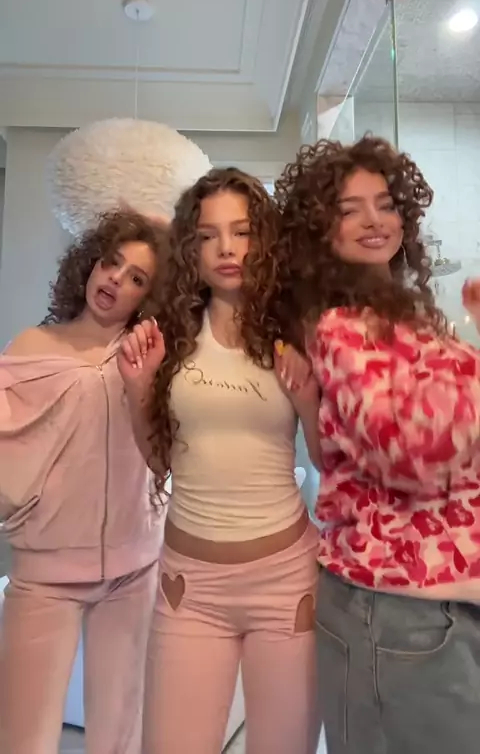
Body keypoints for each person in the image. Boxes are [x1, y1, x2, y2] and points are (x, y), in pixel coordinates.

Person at [274, 134, 480, 754]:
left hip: (441, 600)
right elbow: (412, 454)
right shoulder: (338, 327)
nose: (373, 220)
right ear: (321, 231)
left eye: (385, 204)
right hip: (396, 608)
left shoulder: (417, 322)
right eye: (349, 209)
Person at [118, 167, 322, 754]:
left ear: (265, 241)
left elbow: (327, 460)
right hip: (189, 588)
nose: (227, 248)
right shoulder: (172, 335)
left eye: (242, 231)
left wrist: (308, 399)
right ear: (191, 247)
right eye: (209, 235)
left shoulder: (296, 331)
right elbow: (160, 461)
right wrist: (138, 388)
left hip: (286, 584)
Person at [0, 210, 169, 754]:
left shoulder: (152, 360)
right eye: (111, 262)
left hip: (134, 570)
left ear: (149, 296)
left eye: (137, 277)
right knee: (23, 737)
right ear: (91, 264)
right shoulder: (31, 346)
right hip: (44, 575)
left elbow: (166, 456)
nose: (116, 279)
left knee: (119, 738)